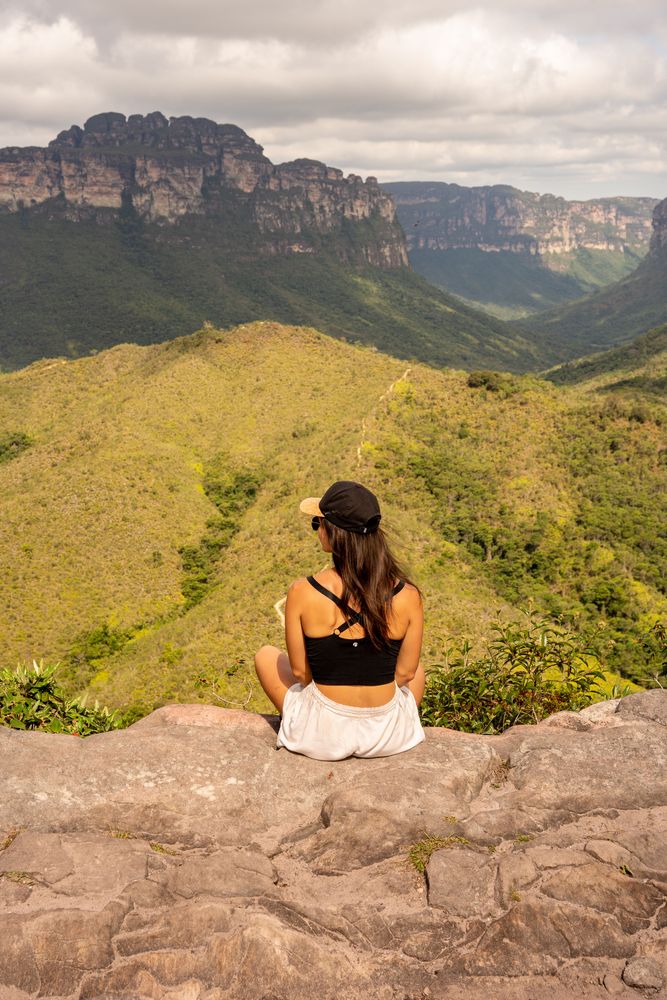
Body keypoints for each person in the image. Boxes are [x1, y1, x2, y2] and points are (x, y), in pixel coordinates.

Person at [254, 480, 426, 760]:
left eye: (317, 523)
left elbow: (301, 675)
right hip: (388, 736)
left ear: (333, 533)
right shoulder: (408, 595)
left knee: (266, 656)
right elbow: (405, 675)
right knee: (419, 671)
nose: (317, 530)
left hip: (322, 736)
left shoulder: (302, 591)